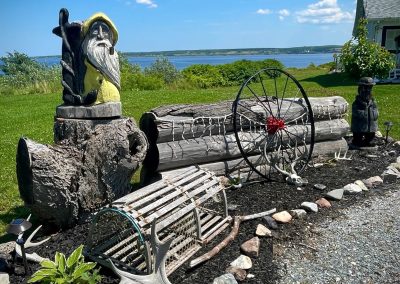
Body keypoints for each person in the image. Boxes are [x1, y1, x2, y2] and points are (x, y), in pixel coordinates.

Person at [351, 77, 378, 147]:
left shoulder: (373, 102)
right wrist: (363, 112)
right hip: (359, 125)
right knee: (358, 134)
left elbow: (375, 110)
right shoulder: (357, 102)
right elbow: (356, 111)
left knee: (371, 134)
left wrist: (375, 114)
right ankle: (357, 140)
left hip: (370, 125)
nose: (367, 91)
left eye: (369, 89)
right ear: (360, 90)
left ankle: (369, 140)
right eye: (365, 88)